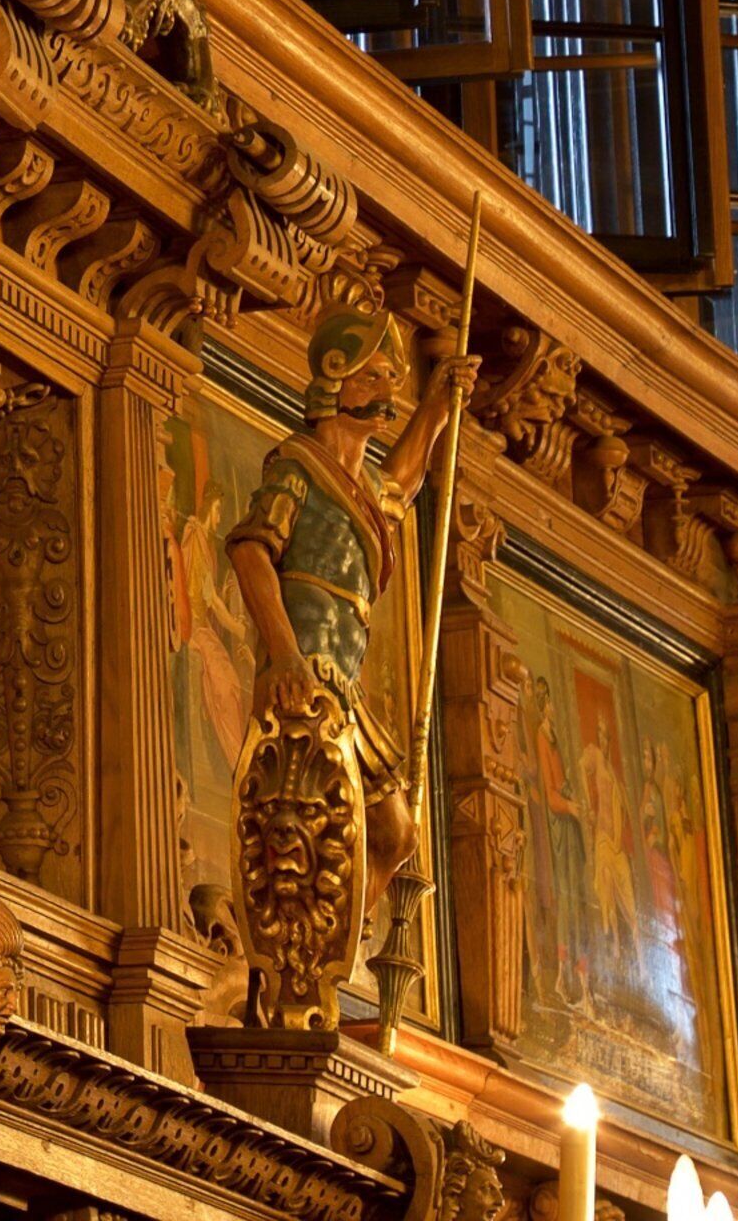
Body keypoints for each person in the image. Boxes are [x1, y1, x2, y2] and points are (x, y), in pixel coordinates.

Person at [226, 301, 477, 1026]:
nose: (387, 388)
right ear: (337, 377)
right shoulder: (296, 467)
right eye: (376, 373)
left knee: (395, 836)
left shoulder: (364, 491)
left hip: (347, 685)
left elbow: (403, 480)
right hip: (305, 679)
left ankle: (325, 955)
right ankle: (288, 972)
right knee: (298, 832)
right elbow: (250, 551)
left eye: (394, 377)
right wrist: (282, 652)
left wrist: (437, 407)